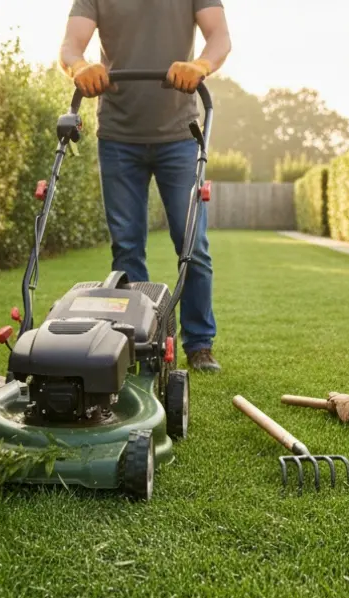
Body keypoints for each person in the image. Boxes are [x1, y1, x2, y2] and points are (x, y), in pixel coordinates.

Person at [59, 1, 232, 373]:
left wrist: (199, 66)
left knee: (193, 245)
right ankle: (138, 341)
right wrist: (80, 67)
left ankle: (200, 344)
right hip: (118, 136)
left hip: (180, 137)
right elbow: (72, 45)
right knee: (127, 248)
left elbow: (219, 37)